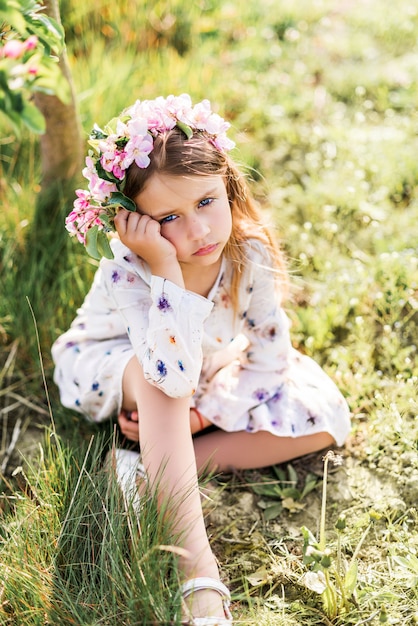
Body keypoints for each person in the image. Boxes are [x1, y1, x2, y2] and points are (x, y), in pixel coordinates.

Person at [52, 94, 351, 625]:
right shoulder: (132, 268)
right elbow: (168, 372)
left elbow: (269, 357)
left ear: (228, 185)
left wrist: (207, 415)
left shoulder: (247, 252)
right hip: (114, 367)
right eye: (169, 217)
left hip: (202, 369)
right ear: (132, 223)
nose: (199, 231)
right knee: (161, 384)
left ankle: (152, 472)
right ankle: (198, 575)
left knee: (325, 418)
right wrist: (164, 267)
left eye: (207, 202)